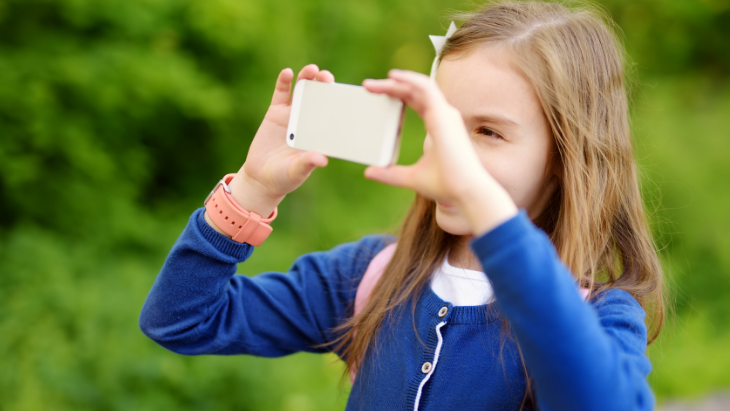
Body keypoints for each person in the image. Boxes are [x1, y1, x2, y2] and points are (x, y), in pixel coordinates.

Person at [139, 1, 665, 410]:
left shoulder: (599, 317)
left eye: (487, 132)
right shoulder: (370, 277)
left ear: (564, 160)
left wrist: (489, 214)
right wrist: (252, 188)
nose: (450, 150)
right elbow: (181, 320)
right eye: (441, 122)